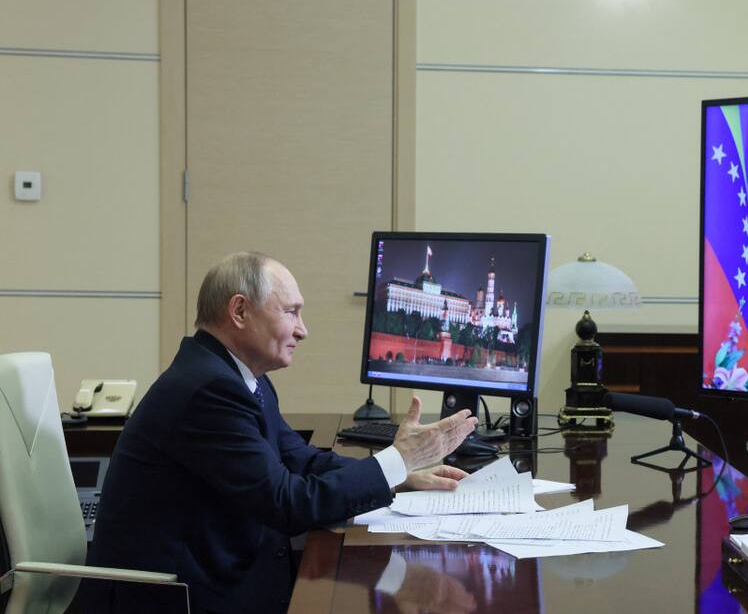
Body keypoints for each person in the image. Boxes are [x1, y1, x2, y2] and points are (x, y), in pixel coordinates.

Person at [85, 252, 479, 614]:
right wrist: (397, 459)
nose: (302, 330)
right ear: (239, 311)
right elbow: (288, 504)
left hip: (220, 572)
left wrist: (400, 475)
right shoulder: (209, 390)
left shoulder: (237, 377)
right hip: (181, 596)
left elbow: (300, 459)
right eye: (291, 312)